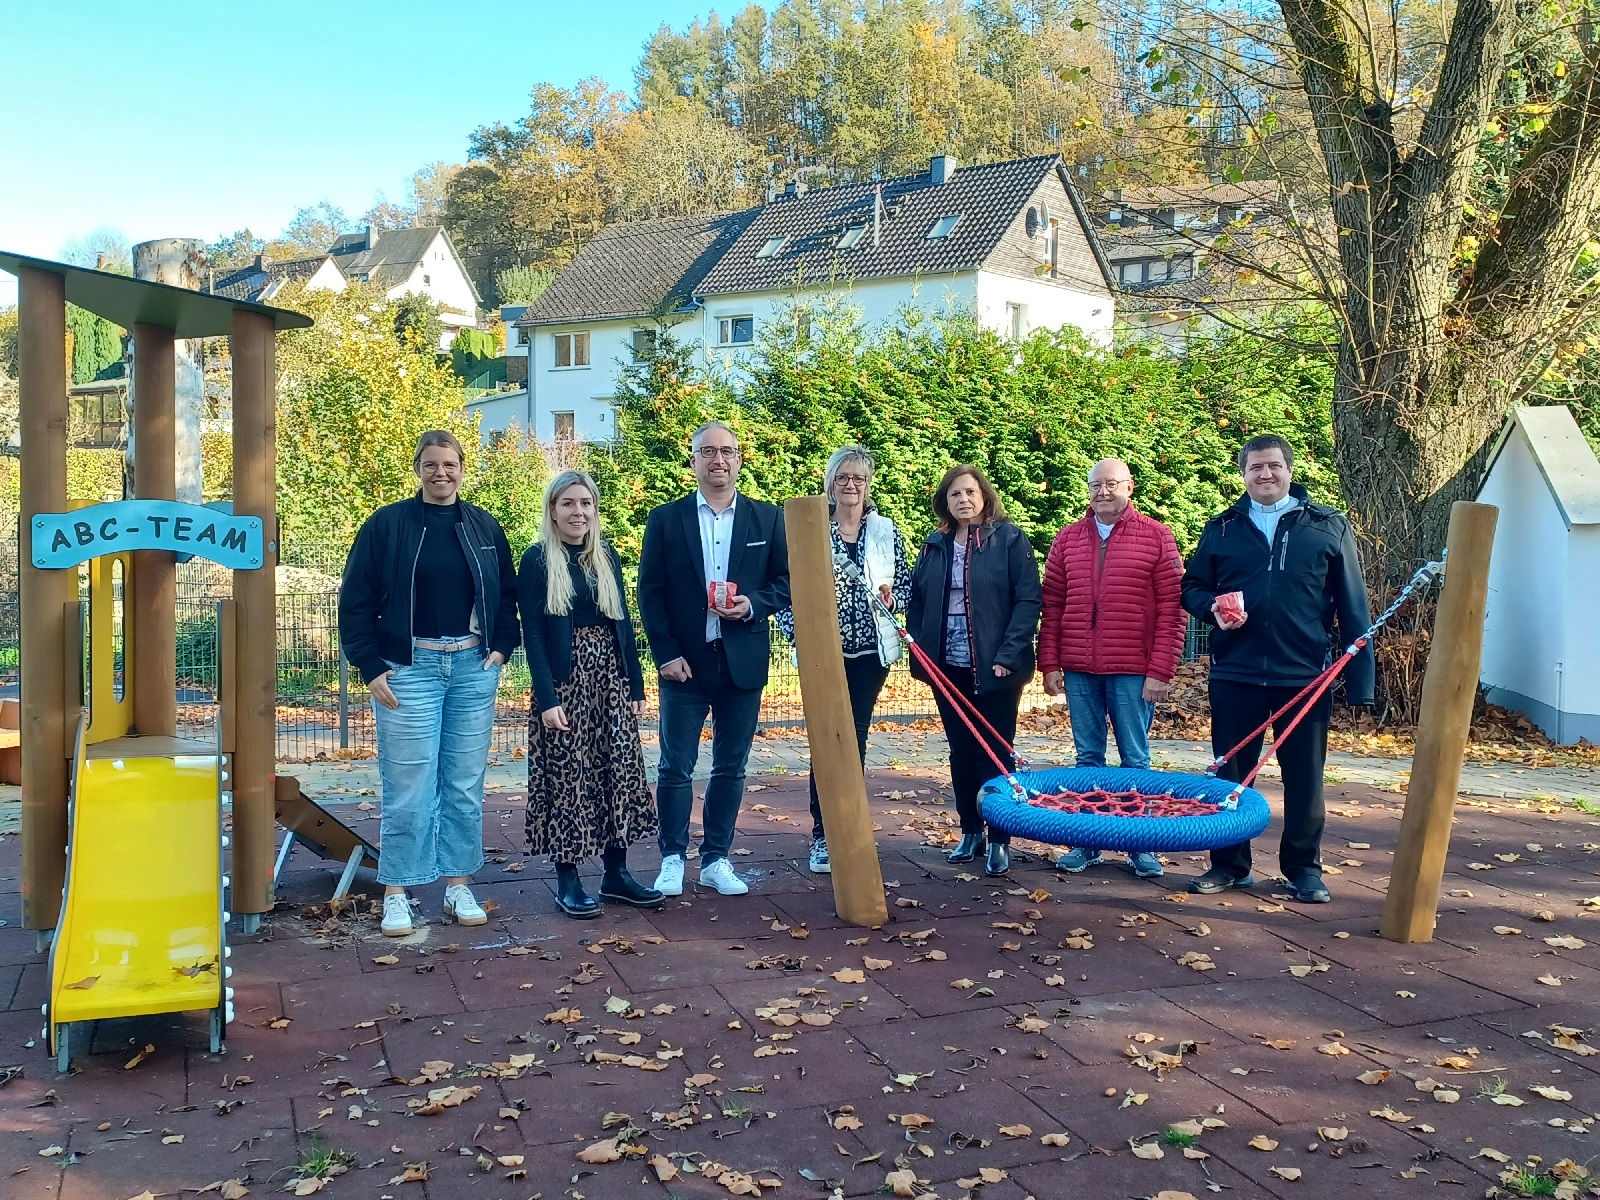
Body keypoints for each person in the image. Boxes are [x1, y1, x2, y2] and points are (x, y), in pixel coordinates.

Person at [338, 430, 519, 937]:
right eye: (431, 465)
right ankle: (398, 891)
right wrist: (369, 665)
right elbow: (355, 600)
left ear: (463, 468)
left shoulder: (484, 527)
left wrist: (501, 648)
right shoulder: (387, 526)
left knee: (463, 786)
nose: (442, 473)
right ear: (417, 468)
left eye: (450, 464)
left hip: (471, 667)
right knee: (409, 788)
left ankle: (458, 884)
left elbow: (506, 597)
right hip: (408, 668)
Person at [1180, 434, 1373, 903]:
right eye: (1254, 468)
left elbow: (1354, 606)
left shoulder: (1328, 526)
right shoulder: (1222, 527)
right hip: (1236, 674)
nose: (1264, 475)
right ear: (1243, 474)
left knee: (1304, 778)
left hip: (1303, 677)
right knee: (1232, 778)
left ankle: (1304, 870)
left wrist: (1361, 684)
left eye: (1273, 466)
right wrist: (1213, 608)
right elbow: (1192, 586)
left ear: (1289, 470)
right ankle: (1229, 865)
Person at [637, 421, 791, 897]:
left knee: (731, 767)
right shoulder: (666, 520)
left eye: (727, 451)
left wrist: (754, 605)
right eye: (707, 452)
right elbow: (650, 593)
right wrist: (665, 654)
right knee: (674, 767)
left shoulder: (767, 519)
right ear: (693, 461)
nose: (718, 460)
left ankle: (716, 860)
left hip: (742, 661)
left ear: (740, 459)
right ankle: (671, 858)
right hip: (685, 663)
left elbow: (786, 583)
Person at [518, 470, 661, 919]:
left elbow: (622, 623)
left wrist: (635, 683)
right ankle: (568, 879)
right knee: (567, 776)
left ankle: (615, 875)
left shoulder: (607, 556)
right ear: (553, 511)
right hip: (565, 682)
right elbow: (534, 636)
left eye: (586, 504)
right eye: (568, 504)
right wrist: (546, 698)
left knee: (616, 772)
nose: (578, 512)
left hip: (610, 680)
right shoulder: (538, 559)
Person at [1040, 458, 1187, 879]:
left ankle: (1139, 843)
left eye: (1112, 484)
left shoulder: (1158, 537)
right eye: (1096, 485)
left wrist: (1160, 671)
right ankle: (1087, 844)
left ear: (1130, 487)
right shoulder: (1067, 540)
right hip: (1080, 668)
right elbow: (1051, 607)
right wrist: (1049, 663)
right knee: (1087, 759)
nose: (1103, 492)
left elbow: (1172, 612)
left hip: (1133, 669)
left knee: (1135, 760)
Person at [776, 445, 912, 874]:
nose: (851, 485)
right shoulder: (811, 528)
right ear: (830, 483)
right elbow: (784, 588)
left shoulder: (886, 532)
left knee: (853, 741)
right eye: (843, 478)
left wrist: (895, 597)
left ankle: (848, 828)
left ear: (868, 485)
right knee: (826, 740)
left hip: (871, 653)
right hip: (824, 654)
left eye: (859, 478)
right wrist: (799, 633)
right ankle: (822, 835)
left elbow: (908, 586)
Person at [906, 465, 1041, 877]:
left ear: (984, 496)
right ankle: (970, 830)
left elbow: (1027, 599)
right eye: (954, 494)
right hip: (948, 668)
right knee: (961, 751)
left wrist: (1008, 652)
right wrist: (923, 655)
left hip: (996, 667)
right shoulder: (935, 544)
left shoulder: (1010, 539)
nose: (963, 499)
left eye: (969, 492)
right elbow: (918, 600)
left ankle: (999, 838)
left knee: (996, 753)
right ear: (945, 502)